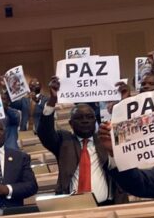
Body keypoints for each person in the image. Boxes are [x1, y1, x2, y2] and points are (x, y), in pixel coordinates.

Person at [37, 76, 127, 205]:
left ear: (95, 121)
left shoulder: (106, 139)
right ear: (71, 123)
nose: (85, 120)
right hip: (72, 206)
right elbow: (45, 133)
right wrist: (52, 100)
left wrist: (125, 101)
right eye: (79, 118)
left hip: (107, 205)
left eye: (89, 117)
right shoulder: (64, 141)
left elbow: (126, 129)